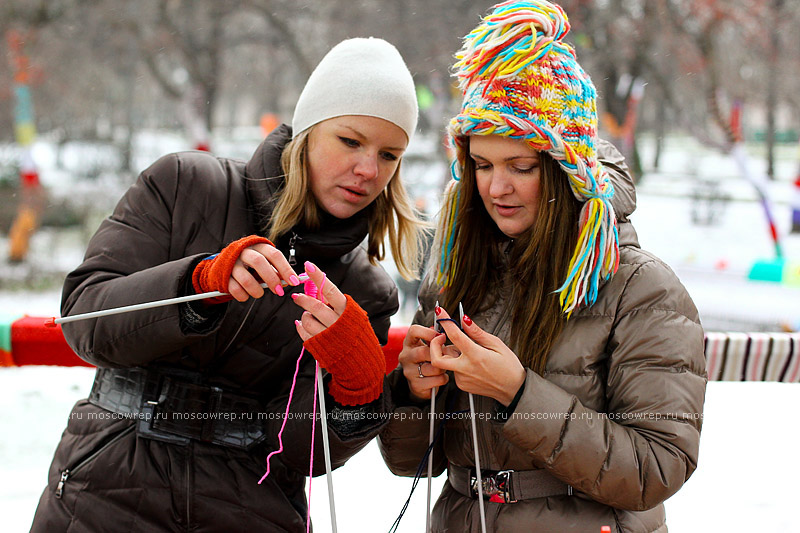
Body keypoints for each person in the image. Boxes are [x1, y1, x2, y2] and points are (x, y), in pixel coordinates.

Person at [30, 37, 424, 532]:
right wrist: (198, 283)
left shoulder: (366, 293)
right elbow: (86, 320)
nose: (368, 170)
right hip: (106, 489)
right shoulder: (183, 184)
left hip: (250, 509)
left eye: (390, 155)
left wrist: (358, 390)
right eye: (350, 141)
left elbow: (302, 452)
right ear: (307, 131)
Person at [377, 1, 707, 532]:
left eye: (521, 166)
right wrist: (414, 394)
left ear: (564, 170)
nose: (496, 188)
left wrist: (519, 393)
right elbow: (409, 461)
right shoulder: (457, 275)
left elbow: (658, 466)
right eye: (481, 165)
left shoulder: (640, 288)